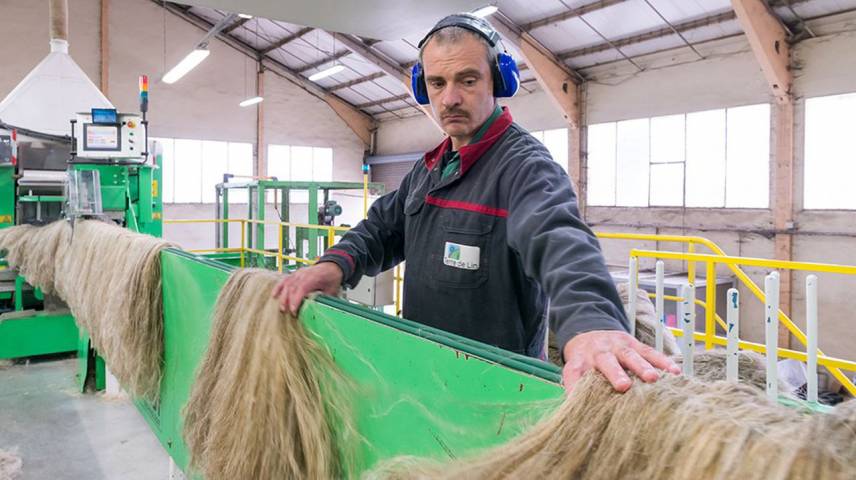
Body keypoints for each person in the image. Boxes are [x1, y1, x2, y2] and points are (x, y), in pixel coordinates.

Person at [272, 13, 679, 392]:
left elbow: (560, 241)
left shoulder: (526, 168)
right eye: (437, 83)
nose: (449, 98)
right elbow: (383, 227)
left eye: (467, 80)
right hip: (424, 371)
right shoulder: (431, 167)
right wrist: (335, 264)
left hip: (499, 389)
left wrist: (591, 322)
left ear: (498, 82)